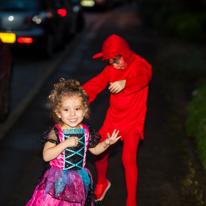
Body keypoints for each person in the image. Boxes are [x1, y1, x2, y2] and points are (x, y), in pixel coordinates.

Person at [26, 78, 121, 206]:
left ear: (85, 110)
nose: (72, 114)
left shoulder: (87, 131)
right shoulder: (56, 132)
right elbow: (46, 155)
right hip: (57, 180)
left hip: (78, 179)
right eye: (66, 110)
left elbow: (95, 150)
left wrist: (107, 143)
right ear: (58, 113)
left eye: (77, 109)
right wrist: (65, 144)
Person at [82, 34, 152, 206]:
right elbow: (96, 83)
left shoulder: (140, 64)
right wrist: (76, 96)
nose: (114, 64)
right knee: (99, 152)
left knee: (128, 160)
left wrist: (125, 82)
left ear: (125, 53)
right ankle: (102, 182)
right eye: (110, 61)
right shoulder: (112, 68)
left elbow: (145, 77)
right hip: (114, 119)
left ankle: (131, 201)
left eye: (116, 59)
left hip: (133, 120)